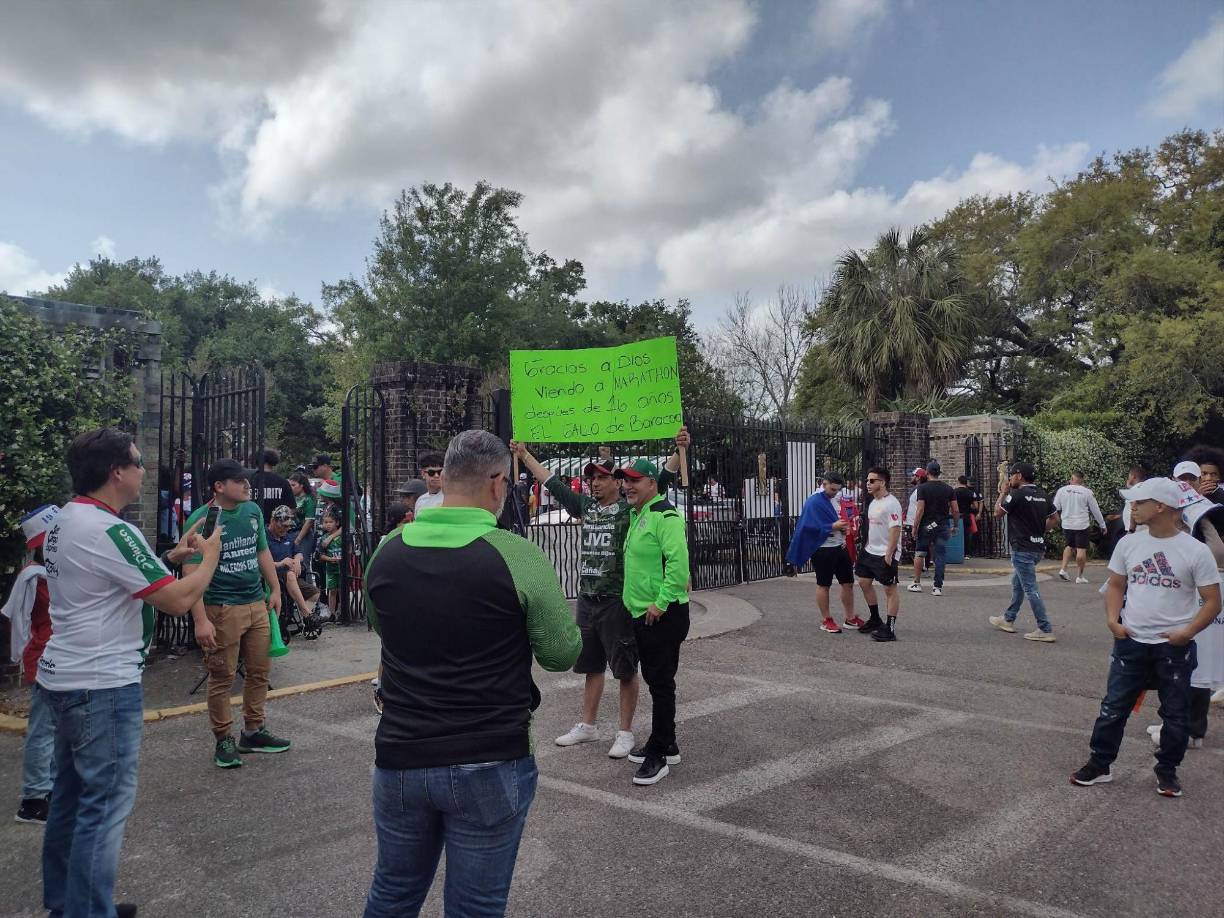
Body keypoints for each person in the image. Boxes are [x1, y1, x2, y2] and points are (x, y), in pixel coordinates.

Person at [361, 430, 580, 917]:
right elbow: (562, 654)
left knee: (393, 893)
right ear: (499, 483)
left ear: (444, 477)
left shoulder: (389, 549)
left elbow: (380, 623)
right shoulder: (516, 555)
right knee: (476, 906)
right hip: (490, 756)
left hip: (400, 755)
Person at [38, 427, 222, 917]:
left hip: (66, 675)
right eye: (139, 462)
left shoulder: (66, 520)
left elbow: (110, 581)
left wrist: (172, 558)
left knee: (71, 799)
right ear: (117, 471)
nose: (144, 470)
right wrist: (208, 559)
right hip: (102, 683)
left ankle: (70, 903)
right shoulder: (114, 530)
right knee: (103, 808)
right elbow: (179, 600)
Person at [510, 429, 686, 760]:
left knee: (625, 668)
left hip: (618, 600)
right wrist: (524, 454)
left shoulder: (630, 510)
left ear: (617, 482)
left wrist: (679, 450)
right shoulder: (585, 506)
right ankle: (587, 726)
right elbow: (551, 482)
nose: (594, 483)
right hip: (587, 599)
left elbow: (659, 479)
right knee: (590, 665)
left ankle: (625, 732)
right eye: (591, 478)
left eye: (602, 477)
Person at [1070, 477, 1221, 798]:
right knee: (1113, 707)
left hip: (1174, 648)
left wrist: (1188, 632)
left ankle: (1167, 771)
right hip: (1131, 642)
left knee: (1176, 714)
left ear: (1161, 506)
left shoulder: (1195, 551)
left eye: (1139, 502)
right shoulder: (1129, 543)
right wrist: (1113, 620)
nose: (1133, 507)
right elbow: (1115, 585)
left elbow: (1212, 600)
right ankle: (1100, 765)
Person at [183, 458, 291, 769]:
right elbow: (190, 571)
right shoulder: (204, 519)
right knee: (222, 677)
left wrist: (275, 588)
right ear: (219, 486)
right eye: (239, 481)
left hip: (256, 603)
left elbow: (261, 551)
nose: (247, 486)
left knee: (260, 672)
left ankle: (254, 731)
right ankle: (223, 739)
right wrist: (200, 619)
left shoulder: (254, 511)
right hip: (221, 608)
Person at [617, 458, 691, 785]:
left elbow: (678, 565)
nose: (628, 486)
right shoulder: (639, 514)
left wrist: (660, 604)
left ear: (652, 483)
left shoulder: (666, 515)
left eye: (635, 480)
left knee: (661, 684)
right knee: (656, 680)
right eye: (625, 481)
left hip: (662, 614)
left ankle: (659, 753)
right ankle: (667, 741)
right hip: (642, 613)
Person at [3, 505, 58, 825]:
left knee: (54, 728)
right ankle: (34, 798)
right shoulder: (36, 578)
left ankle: (46, 788)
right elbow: (22, 623)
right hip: (45, 657)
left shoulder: (45, 574)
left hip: (55, 655)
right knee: (43, 729)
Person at [784, 472, 865, 634]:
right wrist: (833, 527)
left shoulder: (836, 498)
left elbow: (839, 518)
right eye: (832, 489)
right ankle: (826, 619)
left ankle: (850, 617)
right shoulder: (814, 501)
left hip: (839, 546)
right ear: (824, 483)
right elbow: (807, 527)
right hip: (822, 549)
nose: (834, 492)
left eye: (837, 490)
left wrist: (844, 528)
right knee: (824, 584)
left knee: (848, 583)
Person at [989, 462, 1058, 643]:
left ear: (1019, 476)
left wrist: (1003, 493)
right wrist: (1040, 531)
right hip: (1037, 548)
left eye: (1011, 475)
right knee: (1018, 582)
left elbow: (997, 513)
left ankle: (1045, 628)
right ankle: (1008, 619)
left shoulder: (1016, 495)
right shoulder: (1043, 495)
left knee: (1030, 588)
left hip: (1022, 548)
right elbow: (1054, 518)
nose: (1010, 478)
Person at [854, 467, 904, 641]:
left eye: (872, 481)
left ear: (882, 483)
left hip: (885, 553)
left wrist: (889, 555)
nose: (868, 483)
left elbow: (896, 530)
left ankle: (889, 629)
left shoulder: (892, 503)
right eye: (868, 480)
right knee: (863, 582)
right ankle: (875, 619)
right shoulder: (874, 502)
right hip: (870, 551)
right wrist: (867, 545)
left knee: (889, 590)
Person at [267, 505, 322, 632]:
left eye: (288, 526)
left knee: (315, 593)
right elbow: (261, 562)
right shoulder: (265, 537)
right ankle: (307, 615)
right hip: (272, 577)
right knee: (290, 574)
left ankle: (304, 620)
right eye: (283, 526)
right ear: (273, 521)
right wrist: (280, 563)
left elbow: (299, 553)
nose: (285, 529)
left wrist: (297, 560)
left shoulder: (287, 537)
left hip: (290, 578)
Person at [909, 460, 959, 596]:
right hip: (942, 526)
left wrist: (915, 527)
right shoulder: (949, 489)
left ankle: (916, 583)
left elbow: (920, 510)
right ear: (939, 473)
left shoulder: (923, 488)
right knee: (940, 555)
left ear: (927, 472)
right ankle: (937, 587)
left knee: (920, 553)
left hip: (926, 526)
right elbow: (955, 510)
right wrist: (955, 525)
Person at [1054, 472, 1106, 583]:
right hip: (1081, 525)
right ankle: (1080, 576)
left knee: (1069, 546)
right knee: (1081, 550)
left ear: (1071, 479)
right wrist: (1102, 524)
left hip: (1067, 524)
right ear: (1081, 480)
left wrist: (1056, 520)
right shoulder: (1087, 492)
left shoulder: (1061, 490)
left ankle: (1063, 569)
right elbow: (1095, 510)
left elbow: (1055, 508)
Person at [248, 448, 295, 524]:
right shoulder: (282, 482)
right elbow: (291, 508)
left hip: (252, 525)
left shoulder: (249, 480)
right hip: (275, 527)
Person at [316, 504, 343, 617]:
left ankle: (342, 611)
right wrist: (330, 559)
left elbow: (349, 550)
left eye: (330, 522)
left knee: (342, 590)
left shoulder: (342, 537)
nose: (327, 524)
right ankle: (332, 614)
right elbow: (320, 555)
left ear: (337, 523)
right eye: (325, 522)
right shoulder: (323, 538)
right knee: (332, 591)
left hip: (342, 568)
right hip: (330, 569)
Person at [288, 471, 317, 565]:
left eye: (293, 485)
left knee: (303, 563)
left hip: (303, 534)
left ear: (301, 485)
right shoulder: (291, 498)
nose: (290, 488)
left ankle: (307, 580)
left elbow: (309, 521)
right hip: (289, 533)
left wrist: (298, 539)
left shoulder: (309, 499)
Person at [953, 476, 981, 556]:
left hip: (957, 516)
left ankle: (957, 552)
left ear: (959, 481)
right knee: (966, 534)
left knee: (956, 534)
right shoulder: (970, 493)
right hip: (966, 515)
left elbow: (950, 505)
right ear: (966, 482)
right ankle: (966, 553)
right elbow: (976, 506)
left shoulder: (954, 492)